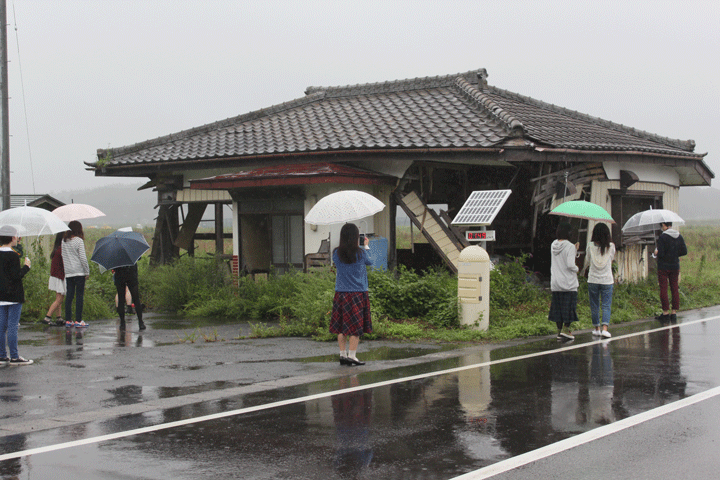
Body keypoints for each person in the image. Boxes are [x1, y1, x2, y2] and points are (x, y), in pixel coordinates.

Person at [330, 223, 373, 366]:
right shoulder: (361, 253)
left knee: (342, 325)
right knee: (356, 325)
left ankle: (342, 355)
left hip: (341, 293)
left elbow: (338, 262)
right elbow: (371, 262)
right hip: (357, 294)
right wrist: (365, 245)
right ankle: (352, 356)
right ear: (356, 237)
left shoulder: (336, 253)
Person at [0, 225, 33, 365]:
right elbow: (16, 276)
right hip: (13, 295)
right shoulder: (13, 255)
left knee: (1, 326)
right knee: (13, 326)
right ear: (12, 237)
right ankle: (14, 356)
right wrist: (26, 267)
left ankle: (2, 355)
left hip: (1, 295)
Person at [549, 222, 579, 340]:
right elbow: (571, 265)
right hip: (568, 283)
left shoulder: (553, 244)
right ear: (569, 233)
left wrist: (574, 249)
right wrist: (577, 269)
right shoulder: (570, 246)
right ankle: (566, 330)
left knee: (558, 308)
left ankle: (559, 331)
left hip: (556, 282)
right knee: (569, 307)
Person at [586, 223, 615, 338]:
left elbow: (588, 260)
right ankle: (605, 329)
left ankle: (596, 328)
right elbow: (611, 259)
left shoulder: (590, 246)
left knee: (594, 305)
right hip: (607, 279)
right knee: (606, 305)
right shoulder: (611, 246)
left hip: (593, 279)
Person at [654, 221, 687, 322]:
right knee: (674, 288)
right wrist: (674, 254)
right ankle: (674, 313)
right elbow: (684, 251)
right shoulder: (678, 236)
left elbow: (662, 254)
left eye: (661, 226)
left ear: (664, 225)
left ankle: (665, 313)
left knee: (663, 288)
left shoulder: (663, 237)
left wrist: (657, 252)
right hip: (675, 266)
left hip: (663, 267)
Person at [62, 220, 90, 328]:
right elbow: (83, 258)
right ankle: (78, 320)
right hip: (79, 272)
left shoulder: (63, 241)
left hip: (68, 272)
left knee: (69, 296)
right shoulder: (79, 241)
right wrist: (86, 271)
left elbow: (63, 256)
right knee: (79, 296)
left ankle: (68, 320)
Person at [43, 232, 66, 326]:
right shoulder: (61, 250)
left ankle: (58, 317)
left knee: (59, 297)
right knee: (59, 299)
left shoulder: (56, 249)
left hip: (55, 276)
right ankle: (47, 317)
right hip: (59, 276)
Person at [113, 264, 145, 331]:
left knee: (121, 300)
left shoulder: (115, 254)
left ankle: (122, 323)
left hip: (119, 275)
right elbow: (138, 258)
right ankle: (140, 322)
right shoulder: (131, 253)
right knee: (136, 299)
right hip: (131, 273)